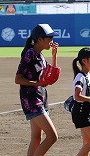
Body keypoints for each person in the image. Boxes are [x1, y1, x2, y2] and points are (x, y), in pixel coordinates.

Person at [15, 24, 59, 156]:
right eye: (49, 38)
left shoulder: (40, 56)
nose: (51, 41)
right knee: (52, 136)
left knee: (36, 137)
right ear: (39, 39)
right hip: (32, 99)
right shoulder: (29, 54)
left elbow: (48, 76)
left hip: (41, 97)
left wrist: (54, 55)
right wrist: (36, 83)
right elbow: (18, 79)